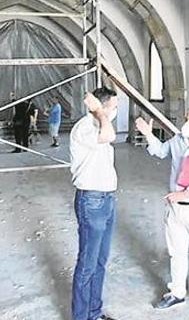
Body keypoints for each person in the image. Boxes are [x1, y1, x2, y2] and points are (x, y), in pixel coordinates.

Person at [135, 105, 189, 320]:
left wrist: (183, 194)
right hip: (175, 209)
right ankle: (177, 293)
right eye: (186, 119)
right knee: (177, 252)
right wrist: (148, 134)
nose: (186, 124)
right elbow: (161, 151)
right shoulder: (178, 140)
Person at [70, 87, 120, 320]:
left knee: (100, 260)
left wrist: (102, 113)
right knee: (87, 264)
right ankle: (81, 317)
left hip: (106, 199)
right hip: (91, 200)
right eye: (113, 106)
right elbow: (109, 136)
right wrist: (100, 111)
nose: (116, 110)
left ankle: (94, 313)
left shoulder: (99, 124)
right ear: (100, 107)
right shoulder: (84, 128)